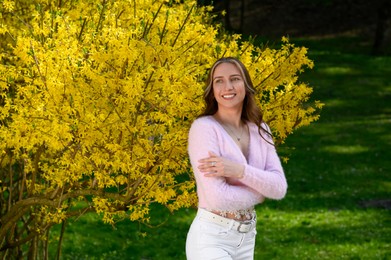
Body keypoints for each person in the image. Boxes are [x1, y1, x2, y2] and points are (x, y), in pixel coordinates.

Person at [185, 57, 288, 260]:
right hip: (211, 237)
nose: (227, 87)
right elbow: (218, 198)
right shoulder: (204, 128)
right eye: (219, 81)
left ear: (246, 84)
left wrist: (239, 170)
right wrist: (260, 192)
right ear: (212, 90)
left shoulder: (261, 129)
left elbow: (278, 187)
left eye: (235, 79)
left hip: (246, 239)